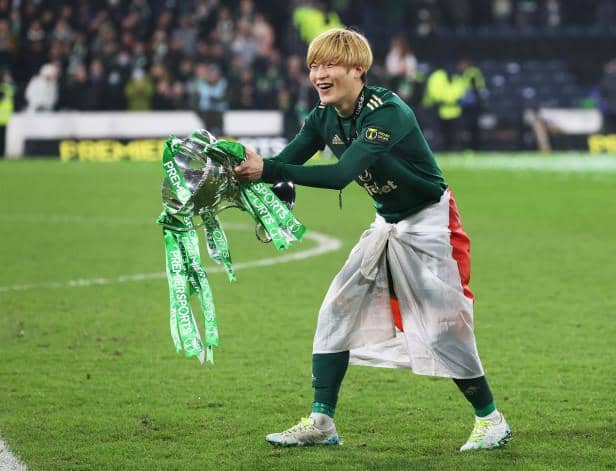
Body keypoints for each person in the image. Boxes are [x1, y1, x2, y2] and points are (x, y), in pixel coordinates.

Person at [234, 28, 511, 451]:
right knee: (336, 308)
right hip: (387, 222)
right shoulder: (323, 116)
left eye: (329, 64)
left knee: (444, 328)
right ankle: (322, 421)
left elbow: (341, 173)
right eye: (313, 65)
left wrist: (269, 171)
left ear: (358, 69)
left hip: (431, 224)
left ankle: (491, 420)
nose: (318, 74)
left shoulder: (388, 112)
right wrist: (234, 169)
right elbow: (285, 162)